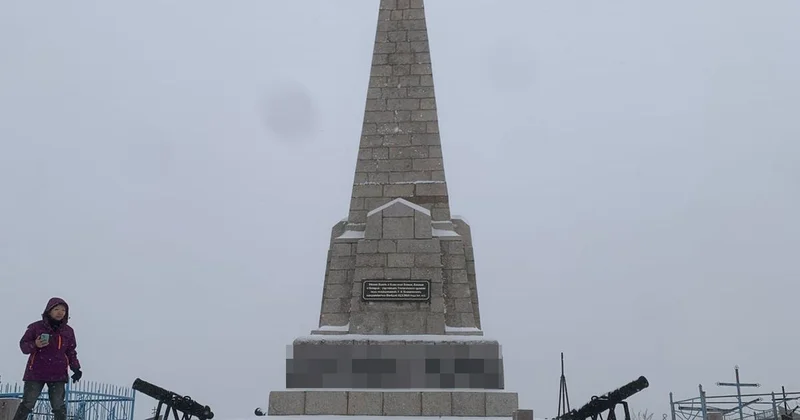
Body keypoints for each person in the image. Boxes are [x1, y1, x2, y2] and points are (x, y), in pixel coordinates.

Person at [12, 297, 82, 420]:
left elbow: (71, 351)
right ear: (49, 311)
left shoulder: (68, 331)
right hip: (36, 372)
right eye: (56, 309)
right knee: (28, 403)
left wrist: (76, 368)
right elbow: (23, 346)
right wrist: (35, 344)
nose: (60, 312)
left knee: (58, 406)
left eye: (63, 310)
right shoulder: (36, 327)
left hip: (58, 374)